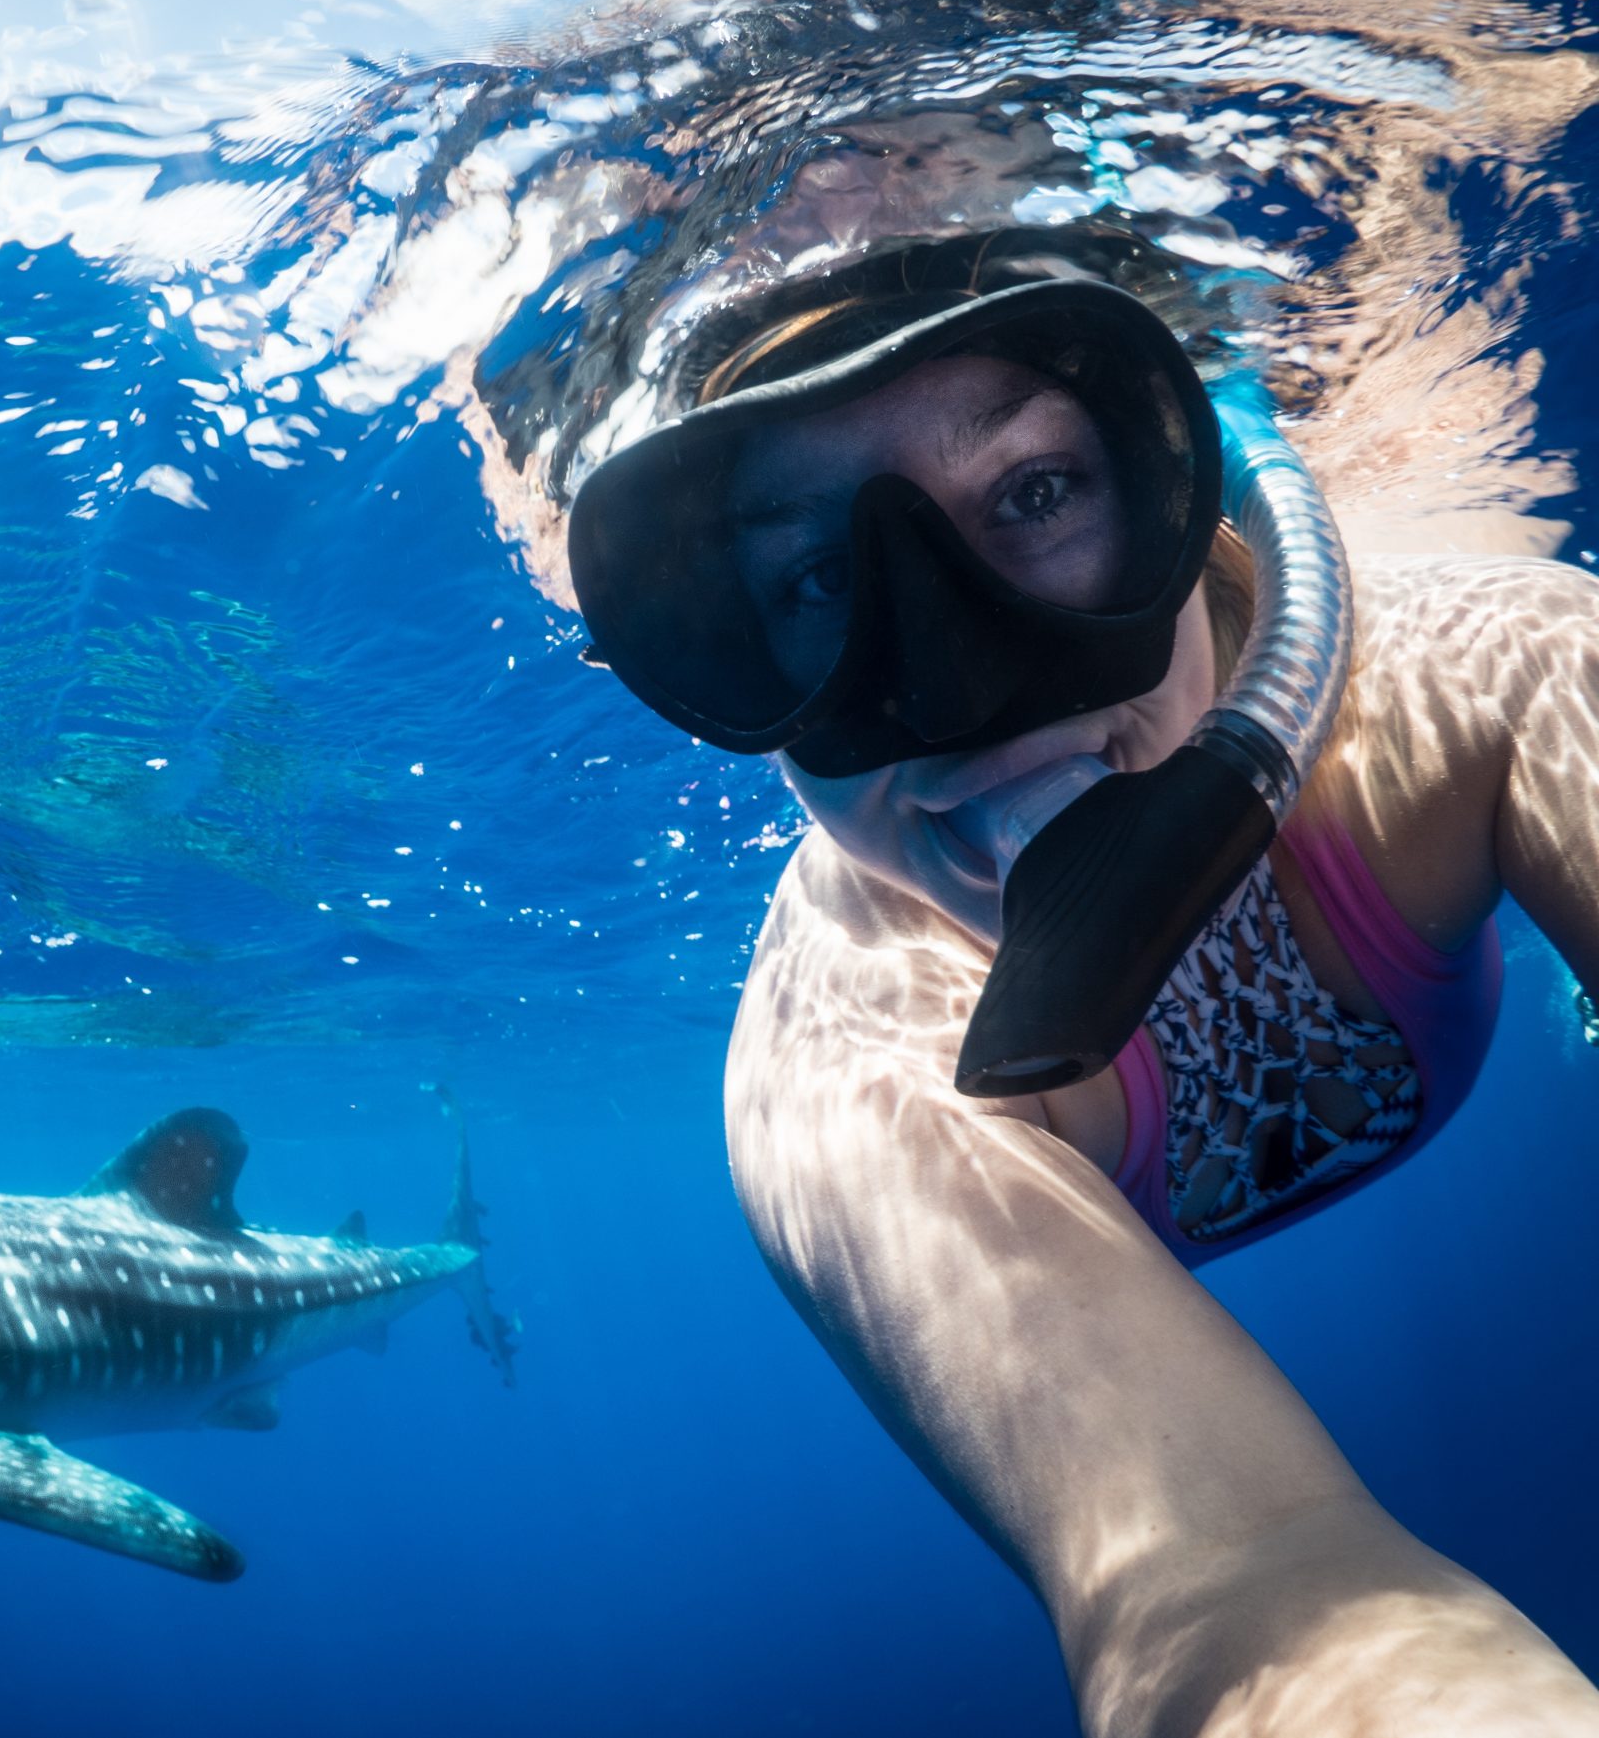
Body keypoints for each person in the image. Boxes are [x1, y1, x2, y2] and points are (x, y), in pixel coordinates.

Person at [568, 227, 1599, 1736]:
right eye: (808, 578)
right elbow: (1237, 1596)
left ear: (1177, 485)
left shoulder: (1484, 679)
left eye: (1037, 494)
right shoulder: (846, 1072)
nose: (959, 689)